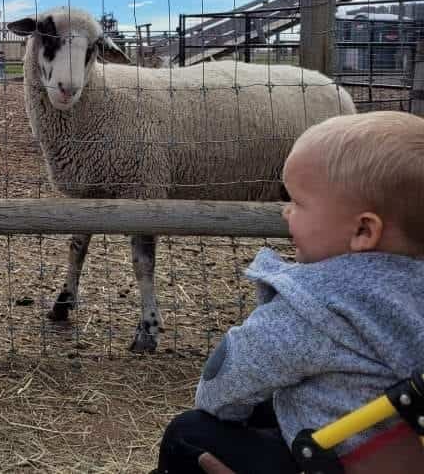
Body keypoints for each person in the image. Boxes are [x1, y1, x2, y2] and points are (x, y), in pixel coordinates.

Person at [154, 111, 424, 474]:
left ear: (363, 231)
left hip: (332, 461)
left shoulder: (315, 305)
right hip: (399, 451)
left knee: (188, 433)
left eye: (297, 202)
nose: (285, 212)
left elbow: (221, 390)